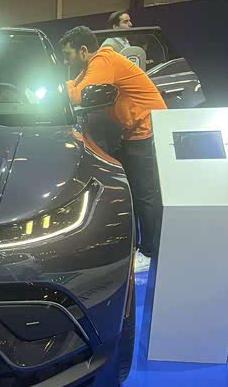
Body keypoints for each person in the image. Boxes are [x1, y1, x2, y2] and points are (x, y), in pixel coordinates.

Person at [61, 26, 166, 269]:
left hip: (147, 130)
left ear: (83, 50)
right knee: (136, 192)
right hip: (135, 130)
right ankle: (141, 245)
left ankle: (150, 252)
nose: (66, 61)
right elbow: (74, 85)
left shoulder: (103, 60)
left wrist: (60, 89)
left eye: (68, 55)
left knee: (144, 194)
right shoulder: (92, 65)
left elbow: (78, 95)